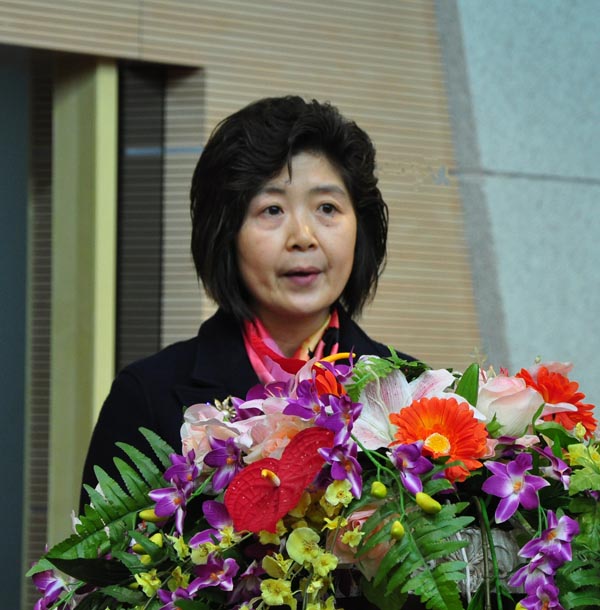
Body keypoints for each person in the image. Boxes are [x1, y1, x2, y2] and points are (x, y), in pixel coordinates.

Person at [81, 95, 414, 502]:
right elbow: (104, 543)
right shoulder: (147, 396)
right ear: (226, 233)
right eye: (272, 210)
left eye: (327, 208)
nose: (303, 237)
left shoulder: (411, 392)